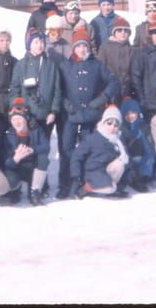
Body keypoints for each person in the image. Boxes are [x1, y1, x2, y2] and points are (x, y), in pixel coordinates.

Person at [56, 28, 119, 199]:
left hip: (91, 115)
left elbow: (113, 82)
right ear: (73, 48)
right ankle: (65, 183)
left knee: (88, 149)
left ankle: (85, 181)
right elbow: (58, 88)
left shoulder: (96, 64)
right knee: (66, 149)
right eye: (78, 46)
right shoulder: (65, 65)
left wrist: (102, 98)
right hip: (70, 115)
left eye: (84, 46)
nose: (82, 49)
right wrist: (65, 103)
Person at [9, 27, 62, 140]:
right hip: (26, 117)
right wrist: (18, 113)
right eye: (35, 42)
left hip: (46, 116)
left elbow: (57, 90)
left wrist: (53, 112)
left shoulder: (51, 65)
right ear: (29, 44)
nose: (39, 45)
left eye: (41, 41)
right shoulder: (21, 65)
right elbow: (14, 91)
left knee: (43, 146)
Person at [69, 105, 130, 199]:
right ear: (103, 122)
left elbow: (126, 156)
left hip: (107, 170)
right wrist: (76, 174)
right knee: (110, 188)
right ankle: (87, 188)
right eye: (109, 123)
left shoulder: (118, 139)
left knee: (120, 163)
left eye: (116, 125)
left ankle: (109, 189)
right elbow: (76, 155)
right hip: (93, 171)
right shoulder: (93, 138)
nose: (112, 127)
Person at [3, 97, 50, 206]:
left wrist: (32, 150)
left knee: (43, 157)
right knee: (10, 178)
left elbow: (46, 146)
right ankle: (15, 189)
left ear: (26, 118)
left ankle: (35, 191)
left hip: (31, 166)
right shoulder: (8, 134)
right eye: (13, 120)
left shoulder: (36, 130)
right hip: (16, 167)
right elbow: (5, 162)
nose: (16, 122)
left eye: (19, 119)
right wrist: (16, 158)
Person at [97, 16, 135, 105]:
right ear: (114, 33)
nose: (123, 33)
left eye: (126, 31)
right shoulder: (105, 48)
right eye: (119, 30)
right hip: (110, 89)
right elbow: (100, 70)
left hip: (127, 89)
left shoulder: (132, 49)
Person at [119, 96, 155, 191]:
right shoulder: (121, 129)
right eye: (127, 114)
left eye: (133, 113)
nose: (130, 116)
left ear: (138, 113)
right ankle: (132, 177)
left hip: (141, 161)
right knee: (135, 146)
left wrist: (145, 170)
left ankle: (142, 174)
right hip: (128, 161)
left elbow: (149, 149)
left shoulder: (143, 128)